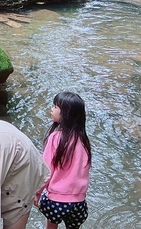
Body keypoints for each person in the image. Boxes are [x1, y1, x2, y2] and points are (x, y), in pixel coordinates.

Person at [36, 92, 91, 229]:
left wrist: (37, 192)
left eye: (55, 106)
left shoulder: (55, 138)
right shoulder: (83, 140)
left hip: (56, 201)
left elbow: (46, 169)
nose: (51, 109)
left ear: (65, 114)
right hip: (79, 201)